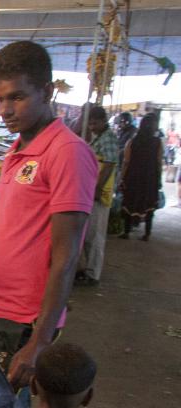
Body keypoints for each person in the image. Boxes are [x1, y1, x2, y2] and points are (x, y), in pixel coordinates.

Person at [0, 41, 97, 388]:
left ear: (46, 92)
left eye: (17, 97)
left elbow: (67, 256)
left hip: (23, 320)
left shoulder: (67, 153)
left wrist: (39, 341)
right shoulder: (18, 149)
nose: (4, 110)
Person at [76, 106, 118, 287]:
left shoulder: (108, 138)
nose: (91, 127)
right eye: (90, 123)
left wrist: (96, 188)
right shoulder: (99, 137)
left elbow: (108, 165)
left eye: (94, 123)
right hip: (92, 190)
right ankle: (88, 270)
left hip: (99, 194)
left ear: (103, 121)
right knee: (88, 234)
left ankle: (93, 274)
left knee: (95, 235)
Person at [119, 113, 164, 241]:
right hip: (150, 178)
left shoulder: (132, 142)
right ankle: (147, 233)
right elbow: (159, 162)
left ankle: (126, 231)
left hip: (132, 177)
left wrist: (122, 178)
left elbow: (126, 162)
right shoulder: (158, 143)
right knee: (148, 204)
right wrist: (159, 178)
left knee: (129, 202)